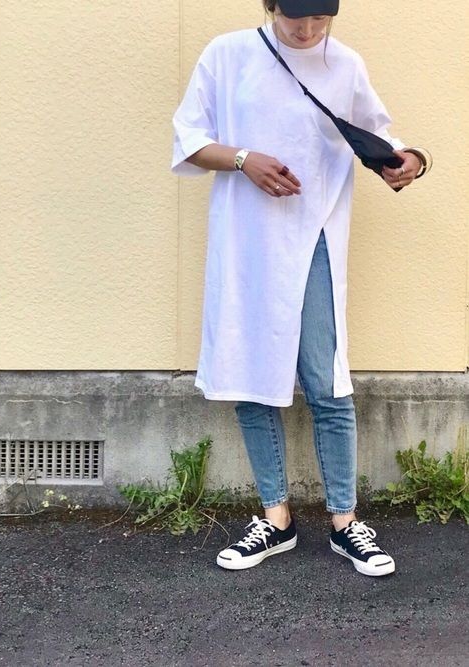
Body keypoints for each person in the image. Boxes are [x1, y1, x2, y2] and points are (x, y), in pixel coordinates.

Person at [171, 0, 430, 576]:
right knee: (252, 375)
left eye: (321, 20)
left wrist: (408, 160)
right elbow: (189, 138)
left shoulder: (345, 64)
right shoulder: (228, 54)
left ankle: (345, 521)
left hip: (315, 236)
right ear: (270, 6)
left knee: (326, 379)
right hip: (246, 240)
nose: (309, 31)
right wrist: (243, 159)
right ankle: (276, 518)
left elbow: (379, 136)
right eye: (296, 19)